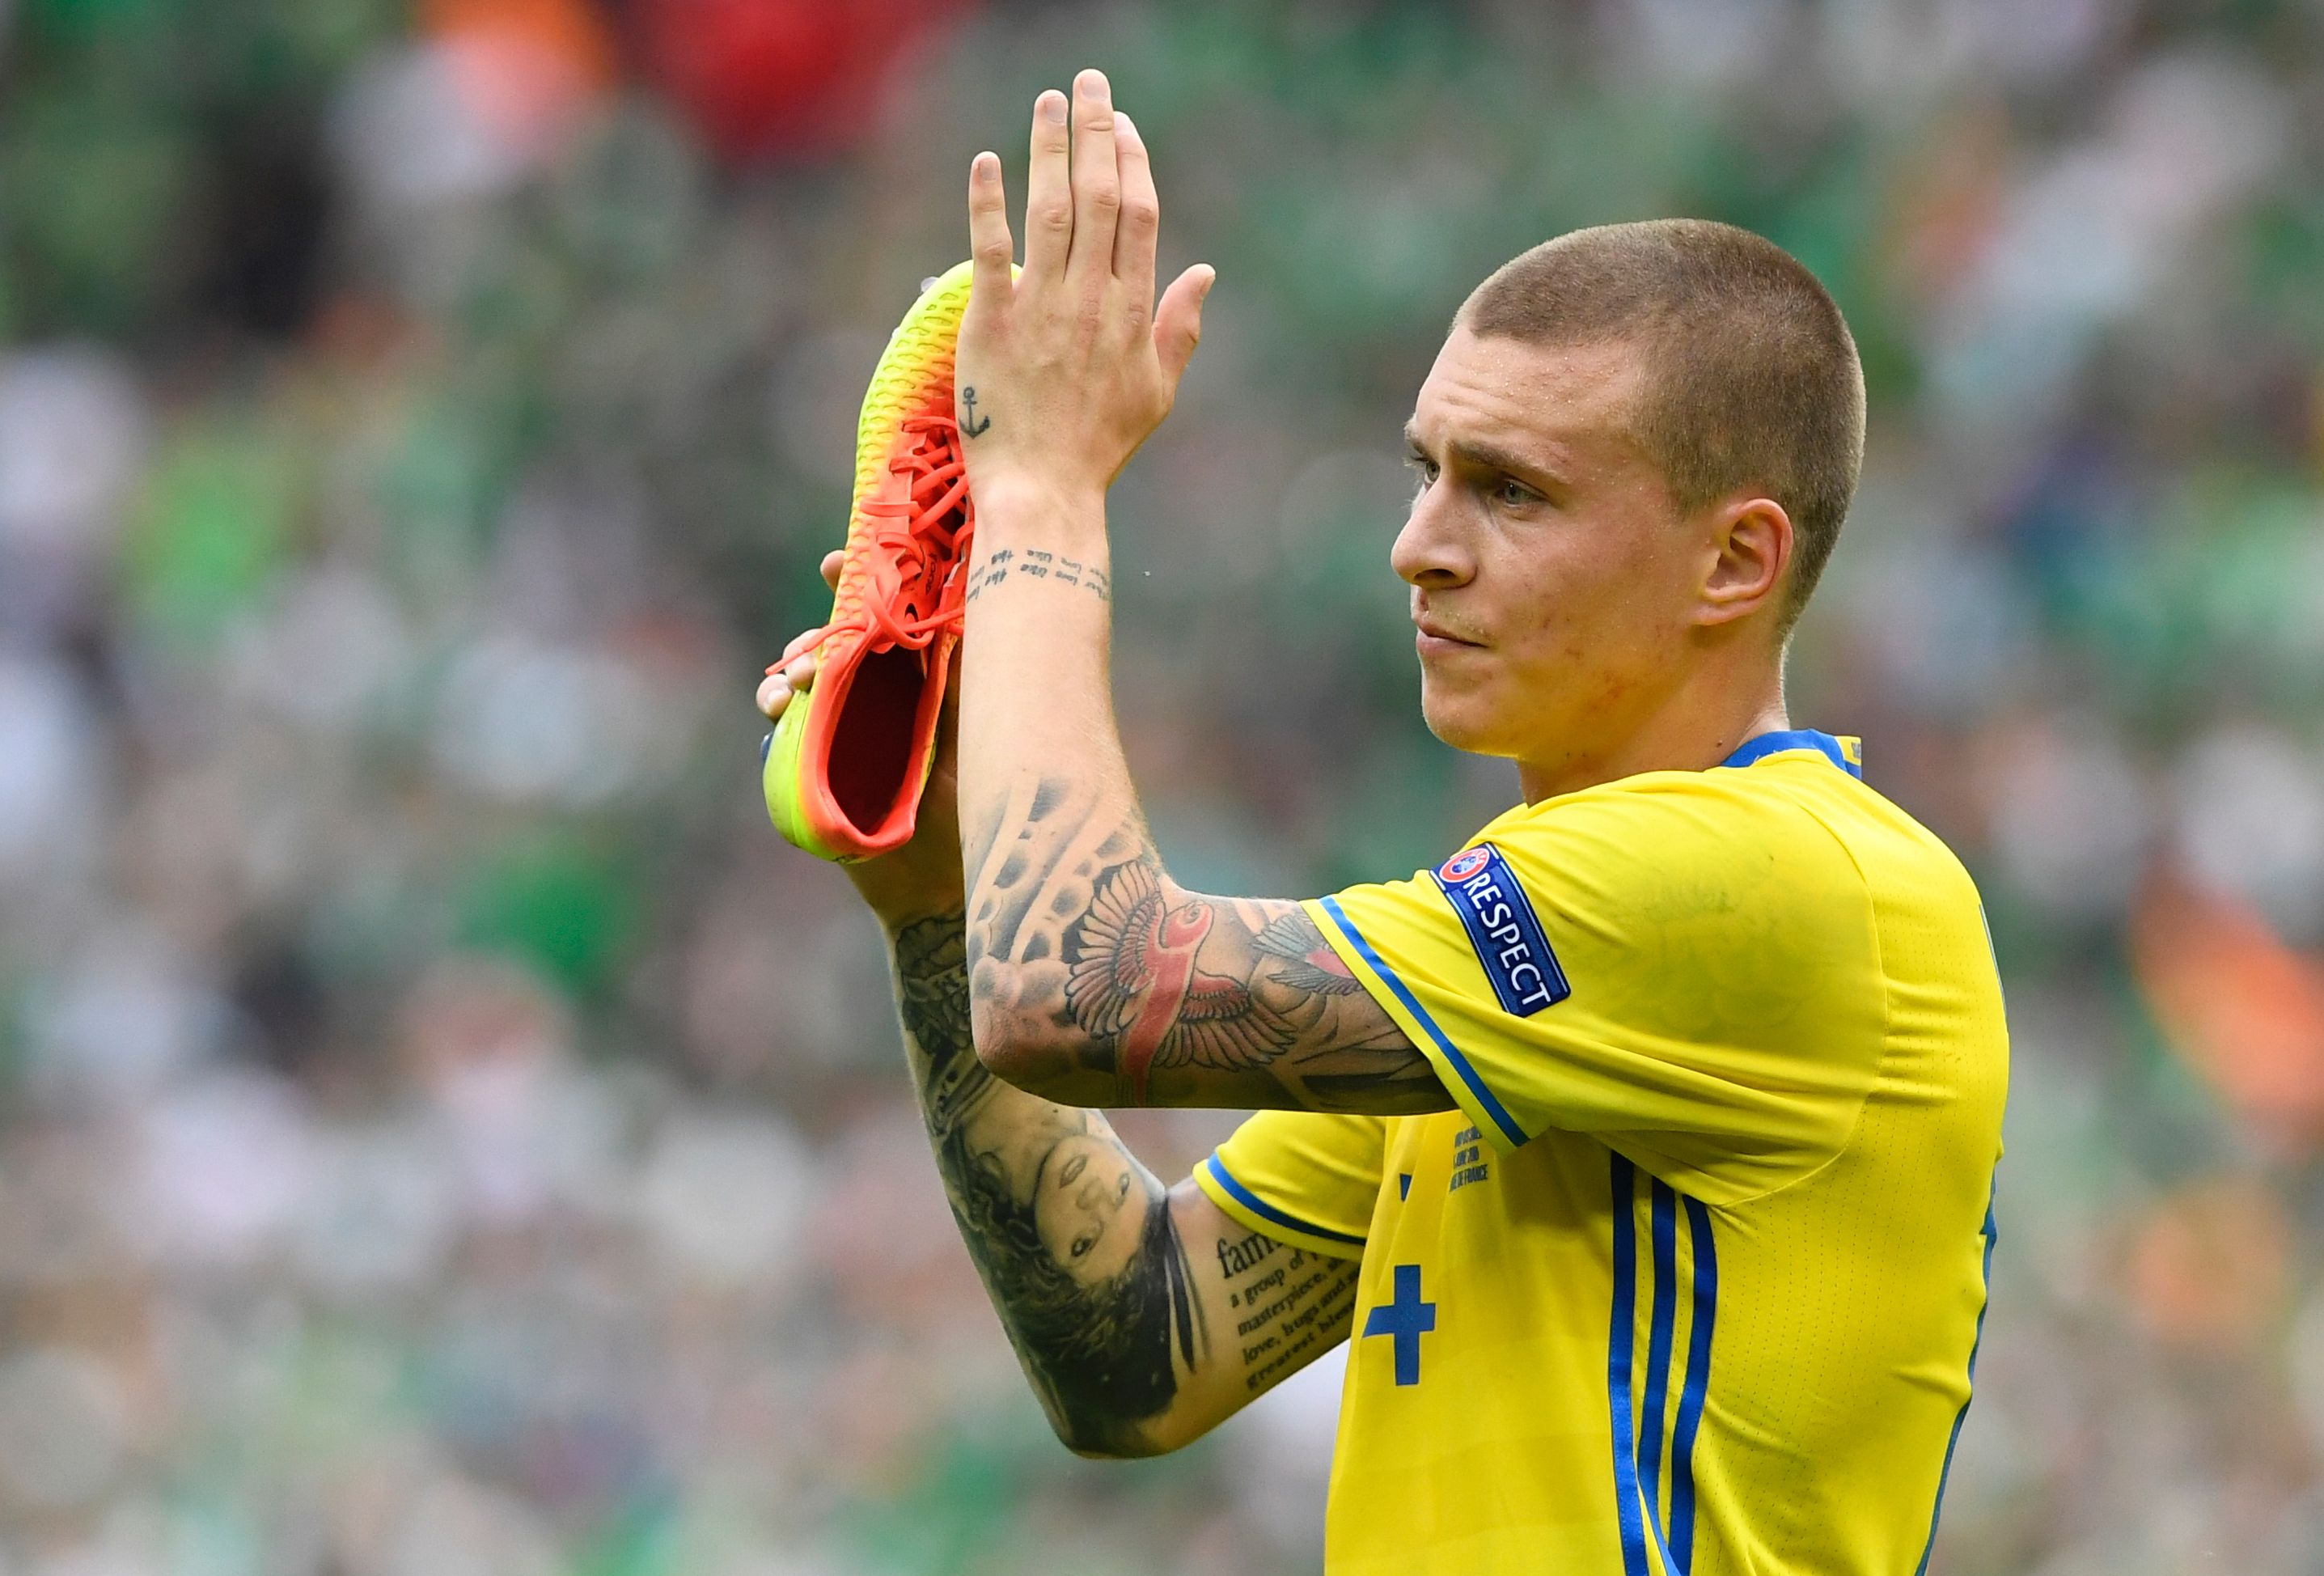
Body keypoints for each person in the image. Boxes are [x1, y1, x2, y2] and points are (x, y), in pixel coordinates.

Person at [756, 66, 2006, 1576]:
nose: (1417, 547)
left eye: (1512, 492)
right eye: (1425, 471)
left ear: (1734, 562)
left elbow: (1075, 988)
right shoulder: (1523, 968)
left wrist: (1038, 494)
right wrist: (935, 892)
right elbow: (1138, 1347)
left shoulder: (1790, 881)